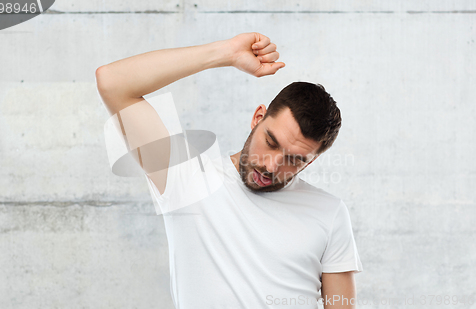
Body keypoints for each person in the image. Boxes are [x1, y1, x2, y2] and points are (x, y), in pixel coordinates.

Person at [96, 32, 363, 309]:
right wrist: (226, 54)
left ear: (310, 162)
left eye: (294, 160)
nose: (271, 166)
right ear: (258, 118)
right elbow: (113, 82)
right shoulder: (186, 179)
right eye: (270, 143)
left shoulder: (329, 212)